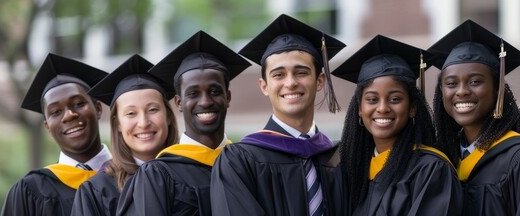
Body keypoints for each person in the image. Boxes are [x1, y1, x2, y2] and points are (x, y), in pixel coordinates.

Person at [210, 14, 345, 216]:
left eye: (301, 72)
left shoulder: (340, 157)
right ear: (264, 86)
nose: (290, 83)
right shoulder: (238, 162)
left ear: (320, 81)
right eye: (278, 75)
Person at [427, 19, 520, 216]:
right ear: (441, 92)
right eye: (451, 83)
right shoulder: (441, 159)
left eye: (475, 81)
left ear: (498, 89)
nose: (462, 91)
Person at [115, 31, 251, 215]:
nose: (205, 102)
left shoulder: (248, 162)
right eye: (193, 94)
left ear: (227, 97)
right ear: (179, 103)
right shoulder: (157, 175)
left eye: (214, 91)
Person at [332, 35, 462, 215]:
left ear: (412, 108)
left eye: (395, 99)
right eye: (372, 99)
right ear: (359, 109)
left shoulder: (430, 170)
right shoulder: (352, 170)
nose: (383, 108)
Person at [2, 53, 112, 216]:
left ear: (98, 109)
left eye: (79, 104)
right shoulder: (30, 191)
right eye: (56, 112)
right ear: (47, 127)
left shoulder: (135, 176)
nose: (69, 115)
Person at [71, 54, 179, 215]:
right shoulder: (97, 191)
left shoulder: (191, 176)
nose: (143, 122)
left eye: (153, 110)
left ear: (169, 116)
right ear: (117, 124)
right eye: (131, 113)